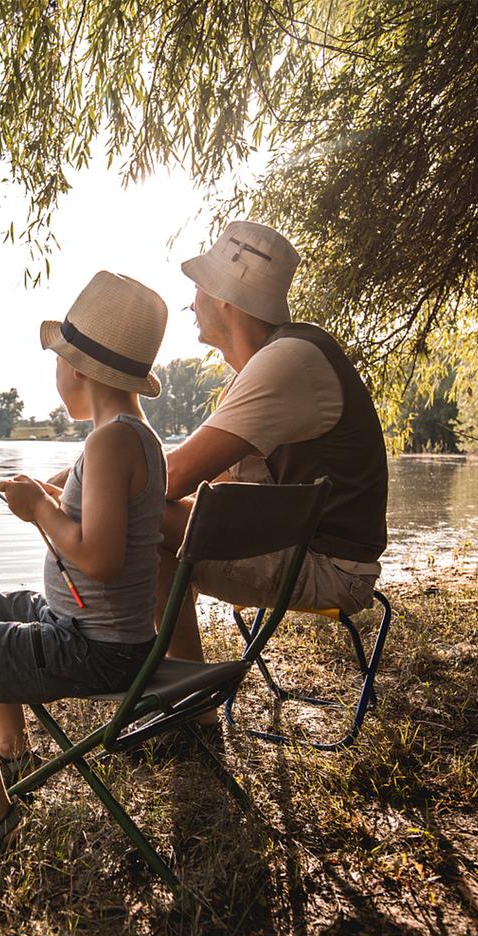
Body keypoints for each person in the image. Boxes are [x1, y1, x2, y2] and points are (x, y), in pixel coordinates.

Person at [0, 271, 169, 856]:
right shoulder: (136, 437)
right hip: (97, 632)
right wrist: (50, 496)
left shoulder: (109, 443)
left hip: (93, 648)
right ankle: (9, 752)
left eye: (57, 359)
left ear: (78, 369)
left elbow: (98, 558)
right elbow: (98, 514)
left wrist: (38, 511)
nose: (54, 371)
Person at [159, 221, 389, 717]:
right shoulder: (273, 363)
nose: (191, 300)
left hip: (333, 569)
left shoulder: (287, 363)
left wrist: (81, 485)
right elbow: (206, 489)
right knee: (152, 517)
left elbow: (172, 479)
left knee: (147, 519)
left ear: (226, 298)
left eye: (200, 286)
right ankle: (183, 694)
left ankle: (176, 697)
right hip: (301, 550)